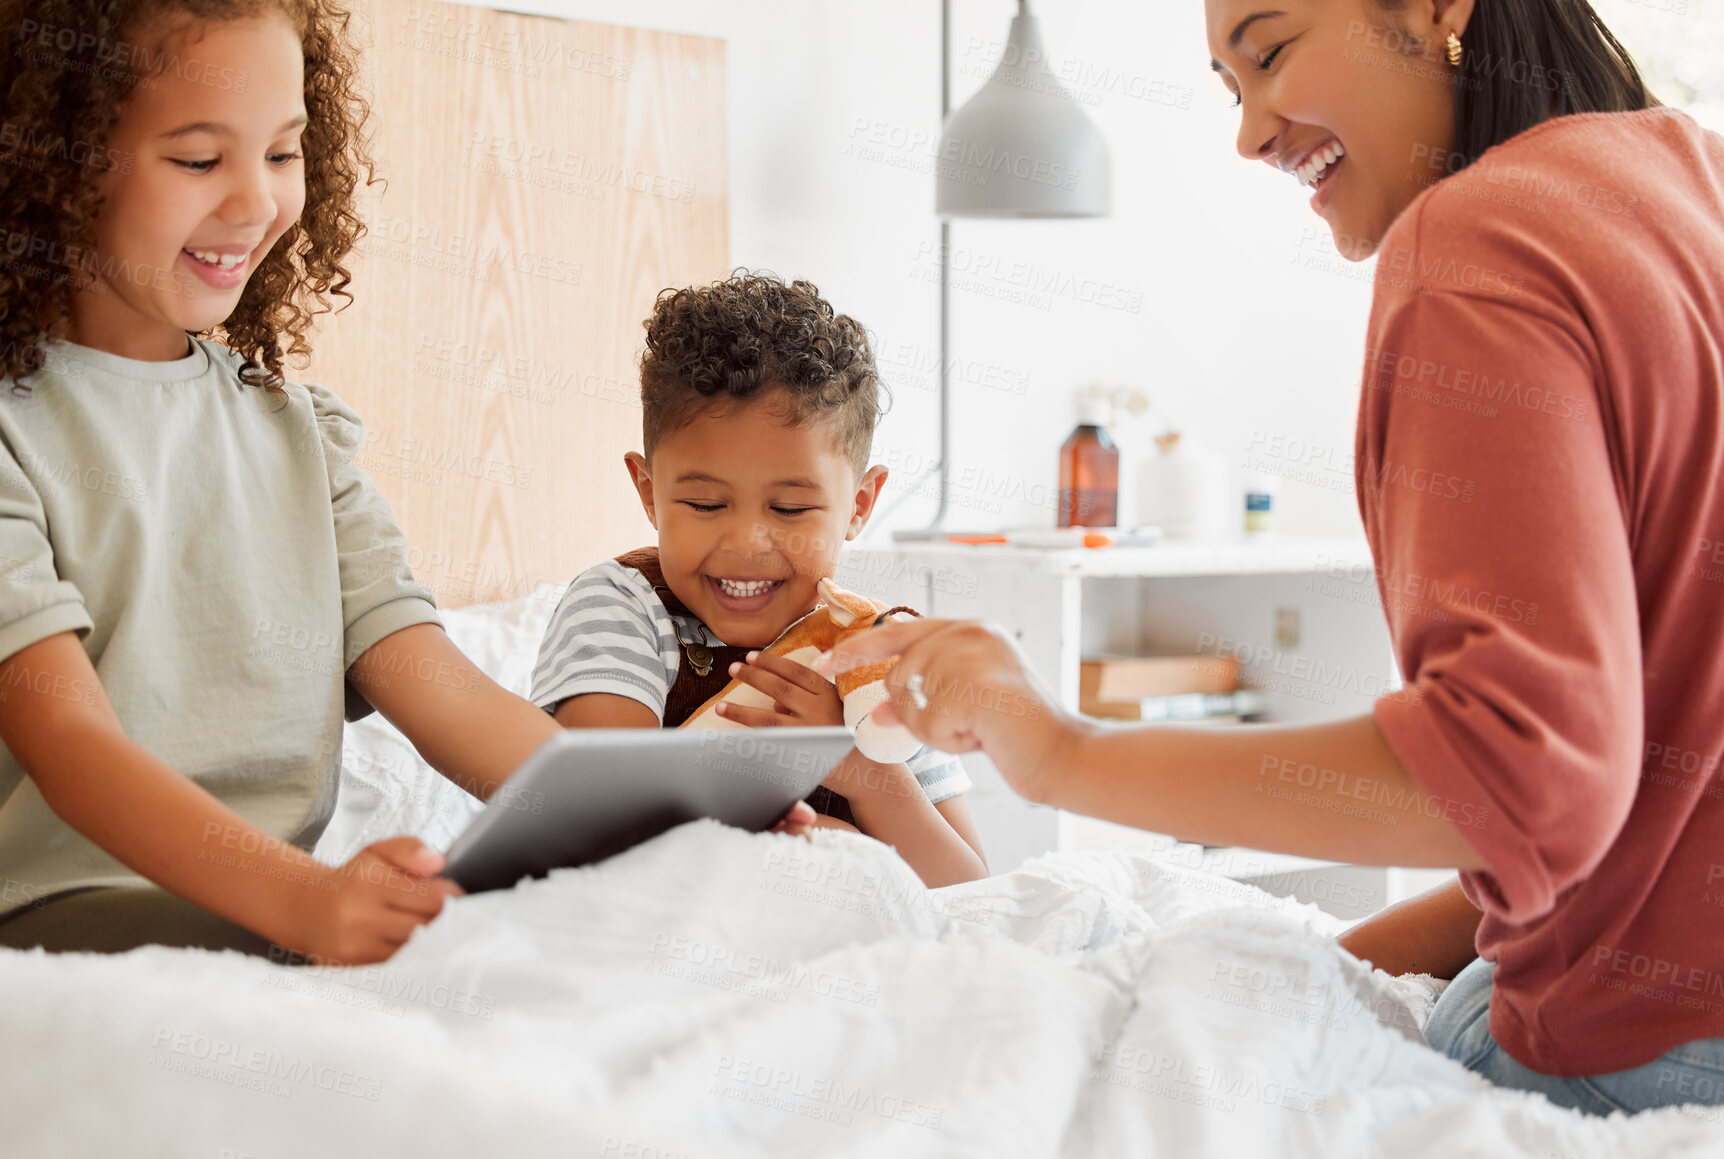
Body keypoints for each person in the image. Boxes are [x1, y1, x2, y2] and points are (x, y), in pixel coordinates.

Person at [821, 0, 1724, 1118]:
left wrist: (1052, 748)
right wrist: (1335, 958)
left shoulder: (1475, 237)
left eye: (1270, 48)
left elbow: (1519, 785)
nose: (1247, 133)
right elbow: (1643, 808)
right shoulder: (1695, 180)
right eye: (1224, 86)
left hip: (1636, 1056)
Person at [0, 0, 648, 963]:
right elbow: (71, 746)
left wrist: (663, 814)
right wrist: (302, 901)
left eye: (283, 153)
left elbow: (440, 689)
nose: (256, 202)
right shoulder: (17, 430)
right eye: (197, 159)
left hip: (276, 908)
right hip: (62, 913)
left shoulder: (299, 435)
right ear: (55, 161)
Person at [528, 272, 987, 887]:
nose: (747, 543)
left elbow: (968, 889)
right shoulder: (623, 607)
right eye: (706, 505)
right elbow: (600, 826)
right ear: (649, 492)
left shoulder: (878, 655)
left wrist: (855, 764)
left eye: (791, 510)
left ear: (859, 504)